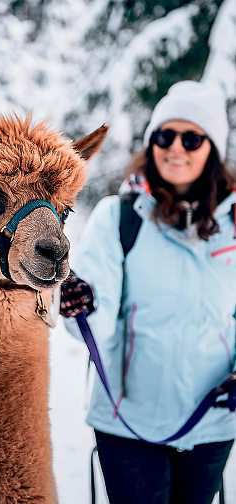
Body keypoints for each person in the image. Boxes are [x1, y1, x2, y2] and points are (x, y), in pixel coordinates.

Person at [60, 80, 236, 504]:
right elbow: (95, 314)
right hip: (127, 422)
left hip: (211, 422)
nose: (176, 147)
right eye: (165, 135)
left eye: (191, 137)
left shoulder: (232, 225)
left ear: (212, 148)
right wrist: (83, 303)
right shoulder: (118, 217)